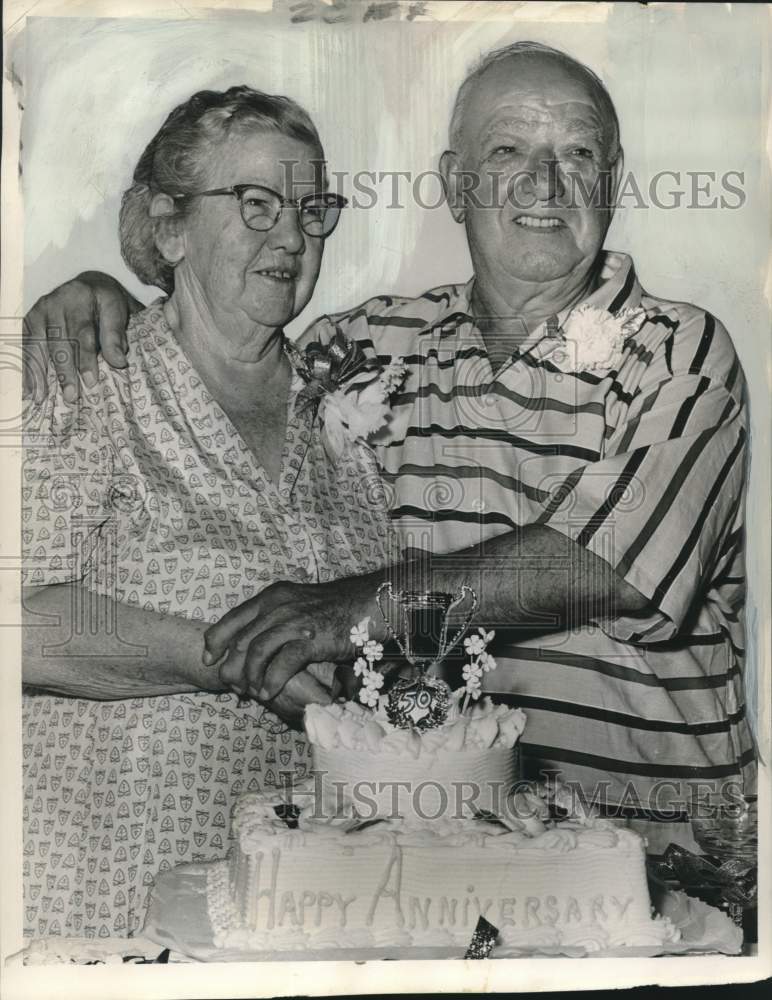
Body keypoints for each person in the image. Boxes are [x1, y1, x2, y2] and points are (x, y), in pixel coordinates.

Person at [25, 43, 755, 825]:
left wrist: (347, 609)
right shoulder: (371, 349)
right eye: (508, 150)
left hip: (657, 858)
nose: (546, 183)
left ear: (611, 182)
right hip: (449, 856)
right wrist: (100, 297)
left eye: (577, 154)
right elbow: (218, 341)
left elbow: (606, 565)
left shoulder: (677, 351)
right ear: (452, 184)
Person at [21, 85, 394, 938]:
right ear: (169, 226)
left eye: (312, 208)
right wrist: (227, 657)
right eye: (256, 204)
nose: (293, 236)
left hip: (300, 914)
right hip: (107, 894)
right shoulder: (88, 377)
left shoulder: (344, 414)